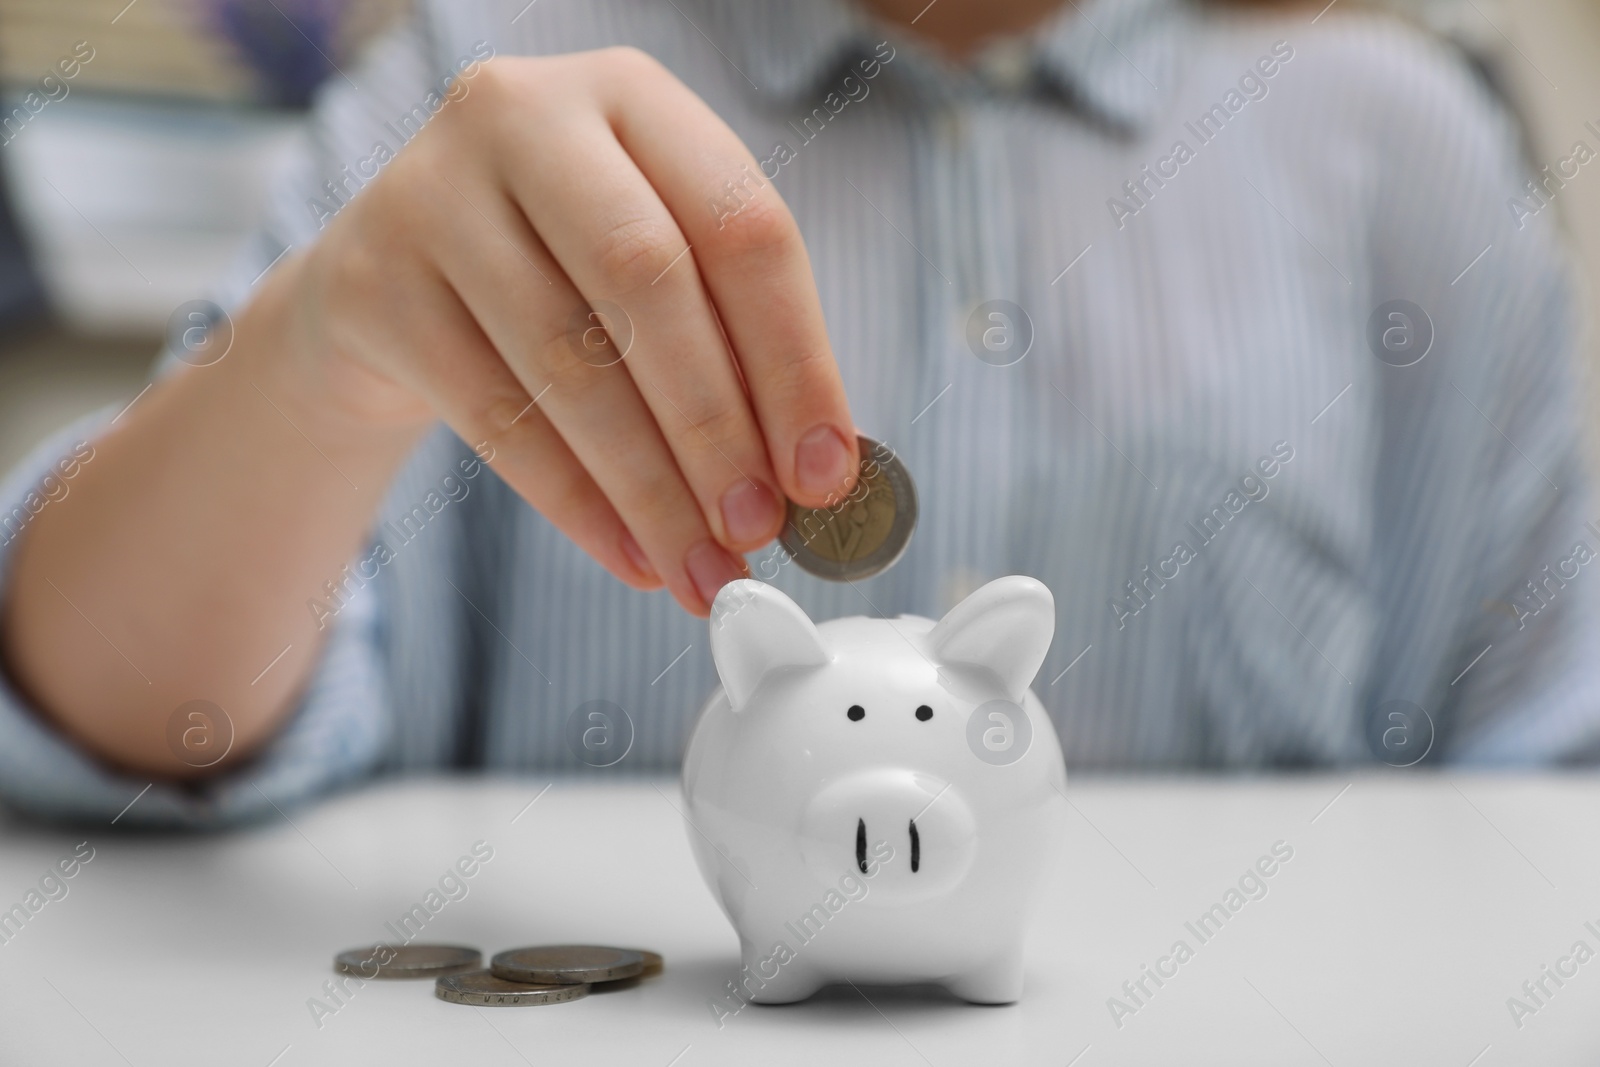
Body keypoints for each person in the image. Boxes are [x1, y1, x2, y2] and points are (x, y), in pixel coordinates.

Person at [1, 0, 1595, 827]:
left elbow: (1538, 795)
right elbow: (132, 735)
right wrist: (317, 356)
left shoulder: (1402, 146)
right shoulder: (478, 75)